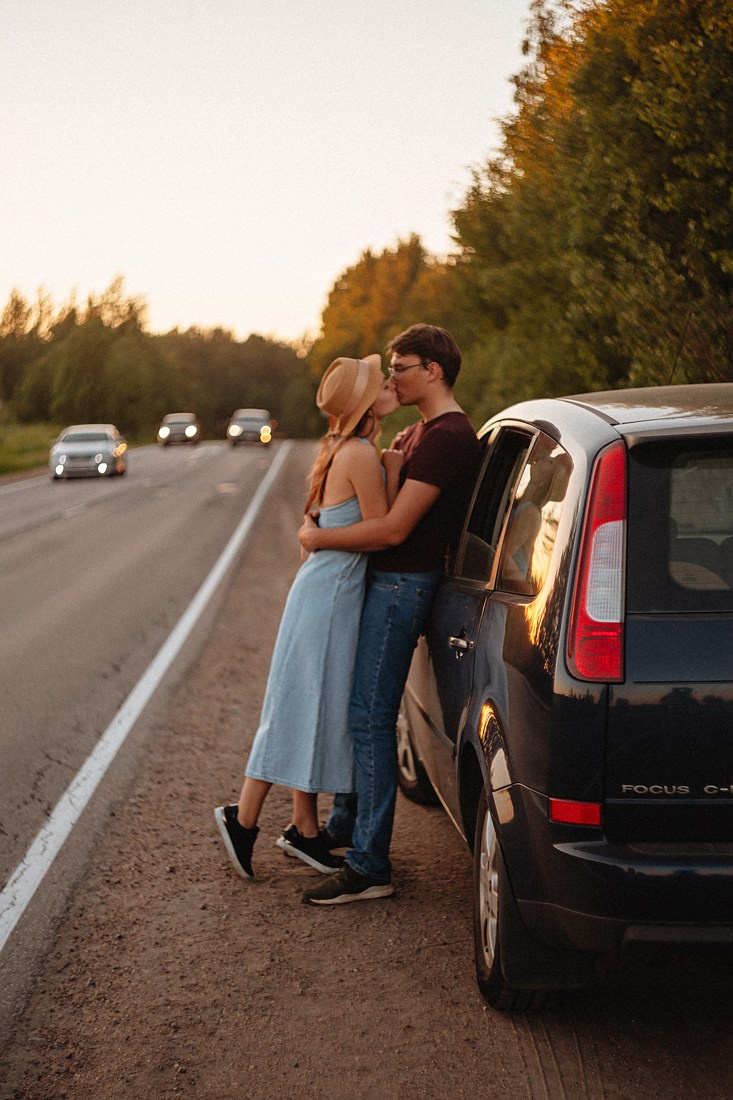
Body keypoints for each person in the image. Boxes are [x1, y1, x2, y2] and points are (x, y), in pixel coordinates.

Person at [298, 323, 482, 905]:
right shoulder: (419, 432)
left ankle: (370, 864)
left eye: (401, 368)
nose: (393, 378)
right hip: (387, 583)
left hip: (404, 585)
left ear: (433, 370)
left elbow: (395, 529)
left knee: (371, 716)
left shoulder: (450, 437)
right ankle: (344, 827)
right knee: (362, 709)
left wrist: (318, 539)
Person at [214, 354, 399, 880]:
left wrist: (317, 536)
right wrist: (393, 471)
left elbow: (322, 525)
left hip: (326, 594)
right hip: (328, 599)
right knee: (298, 707)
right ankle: (242, 819)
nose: (388, 384)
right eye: (379, 382)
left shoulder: (344, 447)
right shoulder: (361, 453)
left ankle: (304, 828)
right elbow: (382, 531)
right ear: (366, 404)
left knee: (310, 706)